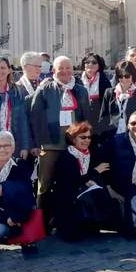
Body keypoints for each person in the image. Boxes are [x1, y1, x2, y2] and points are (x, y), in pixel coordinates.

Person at [29, 56, 91, 213]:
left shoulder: (80, 90)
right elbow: (35, 118)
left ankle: (67, 216)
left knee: (70, 181)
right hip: (50, 144)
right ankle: (42, 219)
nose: (65, 71)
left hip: (73, 144)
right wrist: (37, 143)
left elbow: (86, 118)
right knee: (45, 183)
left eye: (68, 68)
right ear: (53, 71)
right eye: (60, 68)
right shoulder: (45, 89)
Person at [50, 122, 116, 241]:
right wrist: (94, 173)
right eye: (83, 137)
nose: (87, 140)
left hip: (84, 195)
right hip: (68, 199)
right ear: (73, 139)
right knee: (73, 237)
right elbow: (70, 183)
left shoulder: (91, 153)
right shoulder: (66, 156)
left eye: (89, 137)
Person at [99, 61, 136, 141]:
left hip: (131, 137)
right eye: (120, 76)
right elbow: (103, 118)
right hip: (112, 137)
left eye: (127, 76)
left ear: (132, 76)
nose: (123, 79)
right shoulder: (109, 92)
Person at [78, 53, 112, 143]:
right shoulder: (77, 81)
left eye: (94, 62)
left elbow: (108, 105)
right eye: (87, 62)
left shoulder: (105, 81)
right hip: (81, 123)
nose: (90, 64)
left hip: (99, 124)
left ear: (99, 65)